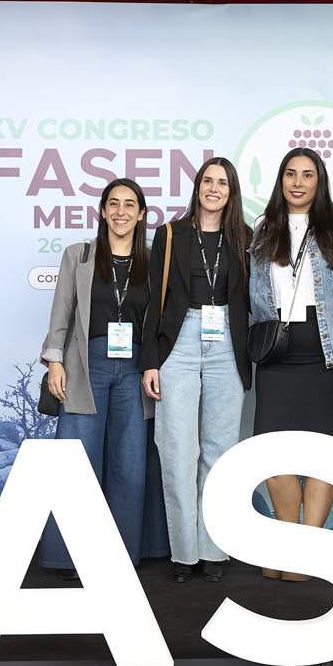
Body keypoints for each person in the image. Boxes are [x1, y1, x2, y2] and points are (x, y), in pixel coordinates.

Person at [39, 178, 168, 577]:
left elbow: (159, 323)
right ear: (102, 211)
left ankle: (120, 558)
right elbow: (61, 311)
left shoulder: (153, 262)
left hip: (134, 370)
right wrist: (54, 361)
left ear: (142, 214)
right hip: (84, 366)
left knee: (130, 467)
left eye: (129, 205)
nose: (120, 211)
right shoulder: (78, 255)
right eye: (113, 203)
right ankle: (69, 557)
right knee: (77, 465)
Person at [140, 157, 253, 583]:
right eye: (208, 180)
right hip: (180, 341)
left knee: (220, 451)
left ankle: (213, 550)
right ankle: (184, 553)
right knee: (177, 449)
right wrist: (150, 361)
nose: (214, 188)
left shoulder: (245, 238)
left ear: (231, 191)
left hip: (227, 342)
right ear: (198, 186)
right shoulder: (170, 234)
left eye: (222, 182)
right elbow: (154, 301)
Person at [248, 148, 333, 581]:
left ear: (319, 181)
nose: (298, 182)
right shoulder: (263, 230)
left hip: (328, 354)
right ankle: (287, 546)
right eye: (291, 174)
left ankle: (305, 554)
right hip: (277, 355)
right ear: (281, 180)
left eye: (308, 175)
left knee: (323, 456)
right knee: (274, 455)